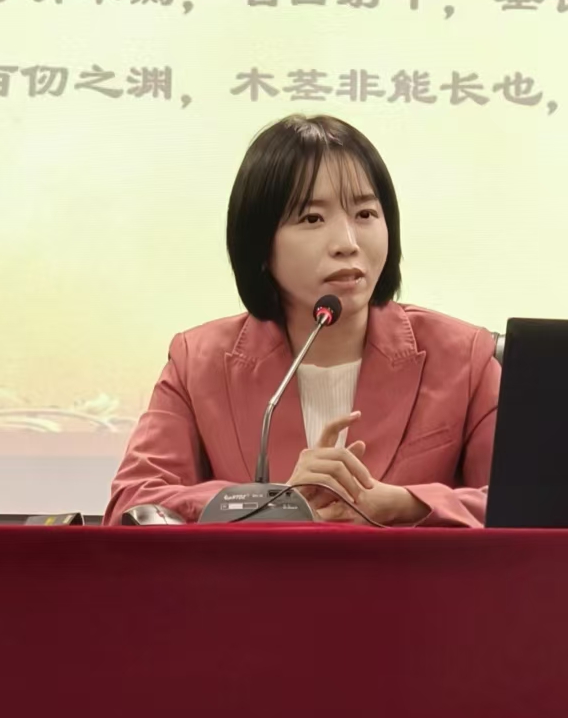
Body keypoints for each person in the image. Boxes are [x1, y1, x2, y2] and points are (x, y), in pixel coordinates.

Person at [104, 114, 500, 527]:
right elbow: (134, 503)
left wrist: (405, 504)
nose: (347, 243)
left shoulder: (463, 357)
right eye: (312, 218)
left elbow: (525, 503)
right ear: (260, 245)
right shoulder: (198, 363)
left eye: (365, 214)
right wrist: (272, 503)